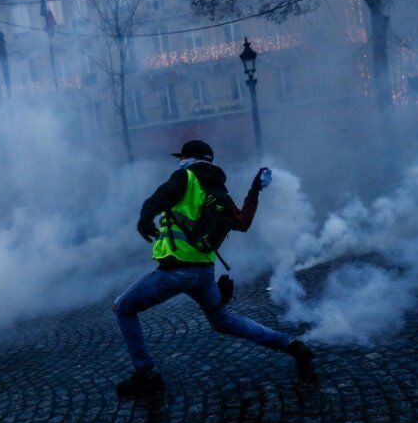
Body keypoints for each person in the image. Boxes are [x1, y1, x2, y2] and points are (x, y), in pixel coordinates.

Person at [113, 140, 314, 397]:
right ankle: (291, 345)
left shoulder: (184, 175)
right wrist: (254, 190)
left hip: (175, 270)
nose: (179, 161)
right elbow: (242, 223)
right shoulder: (219, 192)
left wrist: (144, 217)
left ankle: (147, 374)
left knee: (123, 308)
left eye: (181, 157)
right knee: (224, 322)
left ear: (187, 157)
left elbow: (159, 198)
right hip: (204, 273)